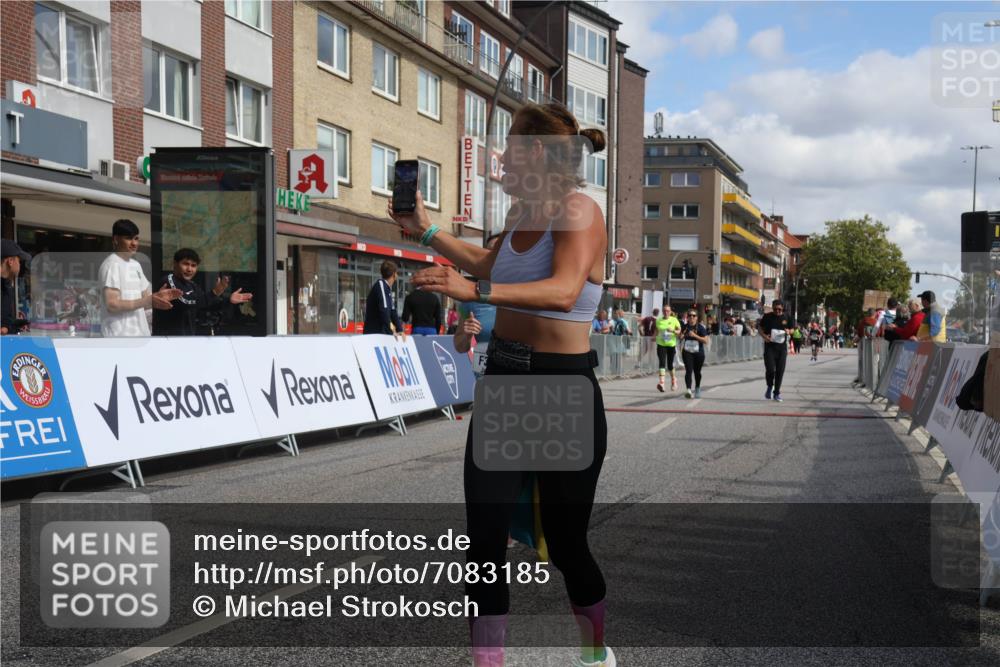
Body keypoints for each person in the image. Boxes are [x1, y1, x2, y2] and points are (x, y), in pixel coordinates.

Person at [389, 102, 614, 667]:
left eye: (509, 146)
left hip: (562, 392)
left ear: (536, 152)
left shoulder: (580, 212)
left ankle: (594, 656)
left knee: (566, 544)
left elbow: (563, 291)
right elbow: (489, 262)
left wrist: (473, 293)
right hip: (507, 384)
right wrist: (428, 231)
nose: (499, 158)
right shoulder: (520, 217)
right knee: (483, 543)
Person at [98, 219, 179, 337]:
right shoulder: (111, 264)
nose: (134, 243)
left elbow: (145, 301)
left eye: (136, 238)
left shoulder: (135, 265)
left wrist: (158, 297)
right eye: (128, 238)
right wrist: (148, 300)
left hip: (141, 335)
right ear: (116, 239)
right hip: (118, 339)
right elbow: (112, 304)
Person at [152, 248, 252, 336]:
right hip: (166, 341)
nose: (189, 269)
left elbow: (206, 305)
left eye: (193, 265)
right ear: (175, 264)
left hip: (186, 341)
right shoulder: (168, 280)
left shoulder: (192, 285)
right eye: (185, 264)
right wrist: (214, 293)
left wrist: (229, 301)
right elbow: (186, 302)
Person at [759, 299, 792, 402]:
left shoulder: (787, 317)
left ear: (782, 308)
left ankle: (776, 393)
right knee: (770, 369)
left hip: (782, 349)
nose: (777, 311)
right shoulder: (767, 317)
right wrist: (765, 337)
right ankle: (769, 386)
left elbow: (793, 329)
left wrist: (789, 331)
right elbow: (760, 328)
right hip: (770, 347)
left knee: (780, 371)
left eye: (779, 309)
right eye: (775, 309)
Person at [363, 260, 404, 337]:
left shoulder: (387, 288)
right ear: (394, 274)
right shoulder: (381, 285)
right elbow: (384, 310)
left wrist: (400, 330)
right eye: (396, 273)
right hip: (374, 333)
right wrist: (392, 331)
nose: (397, 276)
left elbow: (392, 312)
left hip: (381, 333)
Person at [2, 239, 32, 335]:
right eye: (19, 261)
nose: (20, 265)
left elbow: (4, 322)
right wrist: (6, 329)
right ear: (10, 261)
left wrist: (18, 324)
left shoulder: (5, 286)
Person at [680, 309, 709, 398]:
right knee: (688, 370)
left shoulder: (701, 327)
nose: (691, 317)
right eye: (690, 316)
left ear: (696, 318)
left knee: (697, 372)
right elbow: (680, 337)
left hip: (698, 353)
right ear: (687, 317)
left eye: (693, 316)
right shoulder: (684, 327)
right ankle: (688, 390)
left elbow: (705, 341)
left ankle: (697, 387)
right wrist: (682, 335)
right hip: (687, 352)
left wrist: (695, 336)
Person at [655, 305, 682, 392]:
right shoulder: (658, 320)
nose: (666, 312)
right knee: (662, 363)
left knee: (670, 365)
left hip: (671, 345)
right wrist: (653, 337)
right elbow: (656, 331)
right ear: (662, 312)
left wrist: (673, 331)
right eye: (664, 311)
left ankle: (674, 380)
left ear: (670, 312)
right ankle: (662, 383)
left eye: (668, 311)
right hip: (661, 344)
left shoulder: (674, 320)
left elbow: (679, 331)